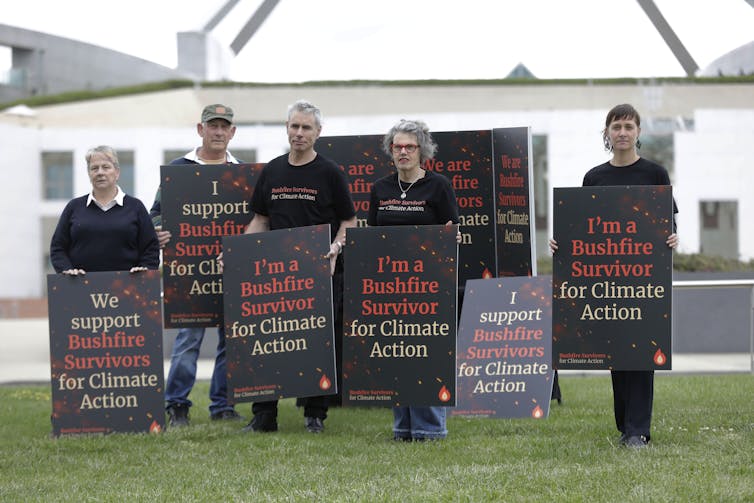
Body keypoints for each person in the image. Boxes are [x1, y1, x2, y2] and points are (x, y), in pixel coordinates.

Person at [549, 103, 679, 448]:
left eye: (628, 126)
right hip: (604, 281)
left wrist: (672, 237)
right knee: (618, 355)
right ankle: (626, 425)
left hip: (643, 281)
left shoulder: (655, 174)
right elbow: (582, 227)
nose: (622, 132)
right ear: (607, 133)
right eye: (616, 126)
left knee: (641, 356)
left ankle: (639, 430)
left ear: (639, 132)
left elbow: (668, 222)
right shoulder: (595, 177)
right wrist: (561, 243)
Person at [240, 99, 357, 434]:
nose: (299, 133)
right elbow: (261, 219)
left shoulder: (329, 172)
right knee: (269, 339)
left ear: (318, 132)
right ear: (287, 128)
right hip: (274, 275)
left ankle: (315, 414)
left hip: (319, 270)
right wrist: (238, 253)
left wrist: (336, 247)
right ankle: (264, 415)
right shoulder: (273, 171)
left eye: (306, 127)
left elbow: (349, 220)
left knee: (317, 343)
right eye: (294, 126)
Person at [149, 104, 242, 426]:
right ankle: (177, 404)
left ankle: (223, 404)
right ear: (200, 130)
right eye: (211, 126)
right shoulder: (179, 169)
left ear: (232, 132)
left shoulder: (242, 173)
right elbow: (155, 213)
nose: (218, 132)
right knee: (188, 339)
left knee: (231, 340)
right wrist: (160, 231)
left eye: (224, 127)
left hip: (231, 270)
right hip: (189, 273)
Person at [368, 119, 460, 441]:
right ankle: (402, 427)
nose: (403, 152)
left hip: (429, 286)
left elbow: (453, 233)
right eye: (398, 147)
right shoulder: (380, 188)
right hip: (390, 287)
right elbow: (373, 237)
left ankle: (430, 428)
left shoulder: (438, 187)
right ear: (390, 151)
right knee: (398, 354)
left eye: (410, 146)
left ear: (422, 150)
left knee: (427, 355)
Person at [50, 145, 159, 275]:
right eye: (94, 168)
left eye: (106, 167)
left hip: (128, 289)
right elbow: (58, 248)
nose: (100, 172)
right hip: (80, 288)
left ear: (117, 172)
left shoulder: (136, 207)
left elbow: (151, 248)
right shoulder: (73, 207)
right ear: (89, 174)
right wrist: (67, 270)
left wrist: (144, 270)